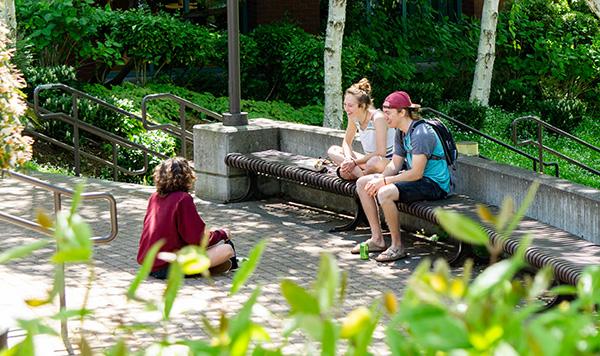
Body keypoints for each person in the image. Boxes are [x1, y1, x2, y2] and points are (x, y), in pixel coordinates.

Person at [352, 91, 450, 262]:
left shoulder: (421, 134)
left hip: (434, 185)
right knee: (363, 182)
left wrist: (384, 181)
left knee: (385, 193)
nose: (384, 117)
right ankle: (377, 239)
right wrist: (379, 179)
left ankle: (397, 246)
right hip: (417, 180)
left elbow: (416, 173)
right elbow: (395, 165)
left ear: (402, 112)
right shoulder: (401, 131)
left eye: (388, 112)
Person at [137, 157, 236, 279]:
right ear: (186, 177)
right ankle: (200, 268)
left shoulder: (154, 197)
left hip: (149, 264)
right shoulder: (183, 199)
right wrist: (222, 234)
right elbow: (197, 239)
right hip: (166, 267)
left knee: (213, 238)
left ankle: (204, 266)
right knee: (227, 249)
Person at [327, 78, 395, 180]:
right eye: (344, 104)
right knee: (333, 150)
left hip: (385, 161)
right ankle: (361, 175)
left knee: (372, 162)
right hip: (366, 162)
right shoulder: (353, 117)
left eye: (350, 105)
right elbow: (346, 142)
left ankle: (360, 176)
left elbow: (381, 152)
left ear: (362, 106)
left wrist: (354, 163)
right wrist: (348, 159)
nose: (346, 109)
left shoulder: (378, 118)